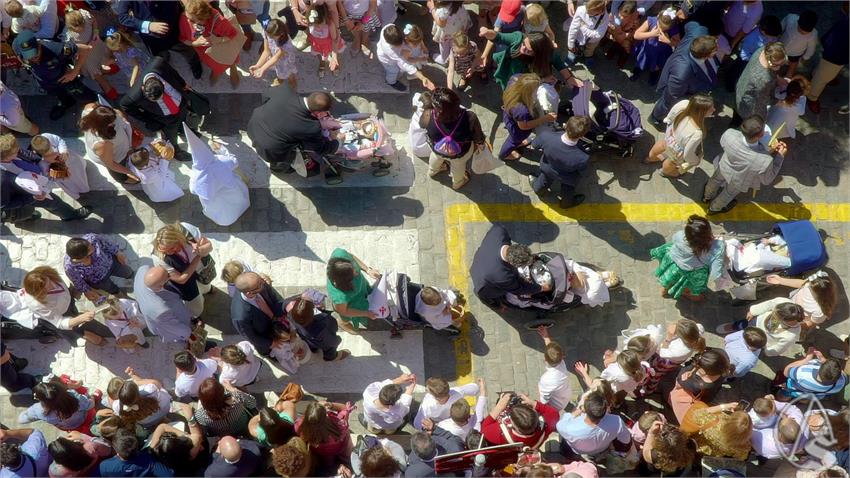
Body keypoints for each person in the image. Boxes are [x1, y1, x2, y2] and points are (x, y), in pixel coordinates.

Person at [120, 57, 204, 162]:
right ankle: (176, 151)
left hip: (181, 103)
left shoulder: (159, 63)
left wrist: (182, 84)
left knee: (183, 119)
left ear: (162, 84)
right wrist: (149, 120)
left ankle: (183, 130)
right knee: (171, 137)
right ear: (143, 89)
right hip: (166, 119)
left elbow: (173, 72)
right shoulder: (133, 96)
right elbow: (125, 106)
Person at [702, 116, 787, 214]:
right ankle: (714, 208)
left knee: (714, 180)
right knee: (728, 193)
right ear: (762, 135)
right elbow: (767, 179)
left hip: (724, 167)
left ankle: (706, 196)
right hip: (740, 180)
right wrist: (780, 156)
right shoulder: (765, 159)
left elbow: (723, 144)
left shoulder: (729, 134)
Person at [247, 89, 340, 172]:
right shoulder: (312, 128)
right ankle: (278, 168)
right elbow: (322, 149)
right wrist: (337, 140)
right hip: (270, 150)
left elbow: (266, 93)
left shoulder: (287, 91)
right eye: (325, 113)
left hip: (253, 126)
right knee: (283, 161)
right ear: (319, 114)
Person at [11, 31, 94, 121]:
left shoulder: (57, 49)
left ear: (39, 44)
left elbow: (87, 49)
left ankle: (94, 106)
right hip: (46, 84)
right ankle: (65, 103)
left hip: (63, 79)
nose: (33, 58)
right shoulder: (16, 46)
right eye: (28, 56)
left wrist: (74, 72)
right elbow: (20, 57)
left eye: (35, 54)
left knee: (85, 96)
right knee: (59, 95)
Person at [114, 0, 203, 79]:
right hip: (152, 39)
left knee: (186, 49)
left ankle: (195, 65)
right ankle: (176, 79)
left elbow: (174, 6)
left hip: (173, 31)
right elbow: (122, 17)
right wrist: (148, 25)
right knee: (163, 60)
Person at [20, 266, 104, 345]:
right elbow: (60, 323)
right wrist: (81, 318)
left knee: (74, 314)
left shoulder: (49, 275)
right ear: (39, 292)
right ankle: (82, 334)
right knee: (72, 329)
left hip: (67, 303)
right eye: (46, 288)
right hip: (59, 314)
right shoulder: (37, 304)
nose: (52, 285)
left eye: (48, 281)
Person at [478, 28, 581, 90]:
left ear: (539, 53)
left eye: (529, 50)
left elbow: (560, 65)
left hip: (528, 79)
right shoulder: (518, 38)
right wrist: (487, 32)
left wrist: (569, 78)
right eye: (523, 44)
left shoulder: (548, 54)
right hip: (510, 73)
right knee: (509, 88)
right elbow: (498, 36)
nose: (522, 49)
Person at [185, 128, 251, 226]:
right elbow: (233, 160)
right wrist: (221, 149)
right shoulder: (221, 161)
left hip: (216, 202)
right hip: (232, 190)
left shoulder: (195, 177)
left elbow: (194, 190)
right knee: (239, 199)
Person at [650, 215, 724, 300]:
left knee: (671, 279)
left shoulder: (680, 235)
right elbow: (716, 274)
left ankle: (665, 290)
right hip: (692, 272)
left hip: (673, 264)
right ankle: (687, 293)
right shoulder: (718, 247)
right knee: (688, 285)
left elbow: (674, 240)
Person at [527, 115, 593, 208]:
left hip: (547, 168)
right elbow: (583, 172)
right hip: (567, 178)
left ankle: (539, 190)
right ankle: (566, 203)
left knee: (543, 181)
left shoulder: (546, 136)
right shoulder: (583, 157)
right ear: (582, 135)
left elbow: (534, 145)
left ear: (565, 126)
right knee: (568, 190)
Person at [470, 224, 544, 306]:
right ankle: (489, 300)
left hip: (480, 260)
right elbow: (518, 289)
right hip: (482, 285)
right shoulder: (503, 276)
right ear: (511, 263)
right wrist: (540, 288)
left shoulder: (499, 231)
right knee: (503, 290)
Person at [650, 35, 718, 123]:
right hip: (685, 95)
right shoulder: (682, 75)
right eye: (715, 50)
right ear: (706, 55)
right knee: (666, 104)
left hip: (698, 86)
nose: (717, 49)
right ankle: (656, 118)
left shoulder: (697, 45)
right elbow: (673, 96)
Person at [152, 222, 214, 318]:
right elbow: (181, 279)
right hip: (187, 283)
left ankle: (208, 290)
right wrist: (198, 256)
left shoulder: (187, 230)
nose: (169, 253)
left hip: (201, 271)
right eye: (165, 251)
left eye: (172, 248)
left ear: (179, 239)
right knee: (196, 304)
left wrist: (202, 248)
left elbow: (209, 246)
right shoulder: (158, 258)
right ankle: (195, 316)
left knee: (205, 285)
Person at [644, 94, 714, 177]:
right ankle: (665, 172)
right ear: (701, 112)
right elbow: (688, 153)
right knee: (671, 162)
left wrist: (668, 122)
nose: (714, 109)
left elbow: (671, 115)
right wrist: (695, 161)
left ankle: (650, 158)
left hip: (670, 135)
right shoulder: (697, 133)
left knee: (662, 144)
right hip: (677, 150)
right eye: (710, 109)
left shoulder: (684, 104)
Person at [179, 0, 241, 88]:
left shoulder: (219, 21)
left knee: (229, 60)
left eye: (192, 20)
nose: (188, 21)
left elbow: (233, 35)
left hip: (223, 50)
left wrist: (217, 40)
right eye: (187, 16)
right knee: (215, 66)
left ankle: (233, 68)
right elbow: (183, 39)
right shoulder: (185, 17)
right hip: (207, 53)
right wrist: (194, 43)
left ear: (202, 19)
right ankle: (216, 71)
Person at [557, 390, 631, 458]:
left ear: (585, 409)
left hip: (577, 451)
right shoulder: (617, 421)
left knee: (563, 439)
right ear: (605, 409)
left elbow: (560, 424)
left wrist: (579, 410)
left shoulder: (569, 428)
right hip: (601, 449)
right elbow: (626, 440)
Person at [78, 103, 140, 184]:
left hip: (119, 148)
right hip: (116, 158)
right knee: (118, 173)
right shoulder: (102, 143)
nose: (115, 121)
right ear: (103, 125)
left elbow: (115, 111)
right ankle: (124, 179)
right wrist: (130, 172)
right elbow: (111, 164)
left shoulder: (90, 108)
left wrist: (122, 118)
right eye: (112, 122)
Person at [0, 169, 90, 224]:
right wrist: (32, 198)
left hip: (20, 190)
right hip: (27, 193)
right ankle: (70, 215)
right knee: (54, 202)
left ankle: (25, 217)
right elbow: (4, 205)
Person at [63, 9, 117, 101]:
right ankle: (111, 93)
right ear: (71, 27)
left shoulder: (85, 15)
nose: (82, 27)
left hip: (97, 47)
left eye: (83, 24)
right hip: (86, 58)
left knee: (107, 58)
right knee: (97, 76)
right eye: (78, 27)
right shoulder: (69, 37)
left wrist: (96, 32)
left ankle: (109, 69)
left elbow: (94, 20)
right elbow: (75, 51)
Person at [498, 73, 555, 161]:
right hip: (517, 129)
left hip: (508, 114)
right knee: (513, 141)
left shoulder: (515, 78)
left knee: (516, 139)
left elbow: (527, 81)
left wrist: (542, 80)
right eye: (536, 90)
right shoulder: (522, 110)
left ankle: (518, 143)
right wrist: (545, 118)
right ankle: (504, 155)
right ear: (528, 94)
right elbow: (524, 126)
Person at [668, 348, 733, 423]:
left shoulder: (700, 384)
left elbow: (681, 381)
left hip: (689, 396)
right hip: (707, 395)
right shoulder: (723, 365)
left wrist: (685, 376)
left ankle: (671, 405)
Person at [63, 234, 134, 302]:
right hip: (99, 279)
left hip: (110, 263)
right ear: (81, 257)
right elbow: (78, 281)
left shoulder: (92, 239)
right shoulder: (70, 267)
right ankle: (119, 294)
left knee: (127, 272)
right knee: (110, 288)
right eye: (89, 250)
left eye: (90, 245)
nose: (93, 247)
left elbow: (107, 244)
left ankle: (132, 276)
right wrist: (87, 291)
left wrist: (118, 253)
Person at [326, 248, 381, 333]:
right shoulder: (340, 297)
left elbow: (351, 257)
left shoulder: (340, 255)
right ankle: (342, 323)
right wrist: (366, 313)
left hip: (362, 289)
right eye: (353, 274)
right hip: (352, 304)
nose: (356, 272)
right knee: (345, 317)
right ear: (345, 281)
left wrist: (368, 270)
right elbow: (344, 311)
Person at [133, 265, 193, 342]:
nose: (170, 274)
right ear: (160, 286)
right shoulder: (161, 312)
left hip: (149, 306)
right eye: (168, 276)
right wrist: (189, 334)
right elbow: (177, 329)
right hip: (166, 323)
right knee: (180, 335)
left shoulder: (143, 269)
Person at [806, 2, 848, 113]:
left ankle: (819, 74)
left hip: (839, 47)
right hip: (838, 50)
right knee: (821, 78)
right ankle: (812, 97)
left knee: (826, 70)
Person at [231, 272, 285, 356]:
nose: (264, 283)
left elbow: (276, 299)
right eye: (260, 284)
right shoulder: (240, 316)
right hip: (265, 337)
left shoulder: (258, 284)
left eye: (261, 279)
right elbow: (251, 337)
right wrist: (271, 343)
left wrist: (282, 316)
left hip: (277, 324)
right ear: (249, 293)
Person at [481, 392, 559, 448]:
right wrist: (534, 403)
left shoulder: (499, 434)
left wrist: (500, 406)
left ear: (514, 426)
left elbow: (484, 429)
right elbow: (554, 414)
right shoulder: (547, 425)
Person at [148, 403, 208, 476]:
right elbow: (197, 436)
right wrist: (190, 418)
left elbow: (162, 426)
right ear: (181, 444)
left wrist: (185, 435)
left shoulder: (155, 450)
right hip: (195, 465)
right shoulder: (191, 452)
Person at [735, 42, 788, 124]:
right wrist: (780, 102)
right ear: (770, 62)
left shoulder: (763, 50)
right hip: (750, 105)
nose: (780, 67)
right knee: (749, 120)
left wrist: (777, 78)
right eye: (777, 65)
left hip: (742, 86)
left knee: (738, 112)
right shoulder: (763, 79)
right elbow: (764, 99)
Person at [295, 401, 354, 474]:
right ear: (326, 415)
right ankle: (345, 463)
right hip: (339, 449)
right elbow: (344, 408)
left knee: (328, 464)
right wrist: (331, 404)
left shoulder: (299, 427)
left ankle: (331, 468)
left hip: (321, 453)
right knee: (346, 441)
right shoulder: (340, 426)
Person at [287, 296, 350, 362]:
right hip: (322, 341)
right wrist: (338, 340)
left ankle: (313, 349)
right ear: (312, 312)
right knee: (330, 350)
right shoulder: (323, 320)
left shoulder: (290, 315)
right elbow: (332, 338)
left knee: (310, 344)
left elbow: (286, 305)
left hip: (307, 338)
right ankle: (331, 357)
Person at [766, 272, 837, 330]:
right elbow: (802, 283)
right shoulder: (811, 284)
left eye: (810, 287)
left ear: (819, 293)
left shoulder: (820, 311)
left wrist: (792, 326)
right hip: (789, 307)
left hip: (796, 320)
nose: (807, 285)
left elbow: (810, 324)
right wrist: (781, 280)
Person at [29, 134, 90, 200]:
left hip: (70, 161)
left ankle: (83, 176)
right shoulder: (41, 164)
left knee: (78, 173)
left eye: (51, 149)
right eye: (48, 154)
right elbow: (48, 178)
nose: (52, 152)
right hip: (62, 176)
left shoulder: (47, 136)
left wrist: (63, 151)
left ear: (49, 142)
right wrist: (54, 170)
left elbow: (59, 140)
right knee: (73, 183)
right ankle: (80, 190)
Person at [682, 403, 752, 461]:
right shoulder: (743, 447)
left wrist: (724, 406)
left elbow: (697, 413)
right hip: (712, 455)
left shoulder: (713, 422)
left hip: (699, 446)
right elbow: (741, 458)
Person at [376, 23, 435, 91]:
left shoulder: (388, 27)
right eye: (398, 45)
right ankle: (391, 82)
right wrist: (422, 78)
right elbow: (405, 64)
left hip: (383, 50)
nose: (402, 44)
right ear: (390, 44)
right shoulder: (392, 51)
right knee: (393, 71)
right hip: (386, 59)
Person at [18, 381, 94, 432]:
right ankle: (96, 395)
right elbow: (91, 405)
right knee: (85, 392)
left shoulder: (38, 410)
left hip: (66, 427)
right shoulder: (75, 397)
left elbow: (21, 419)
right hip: (81, 419)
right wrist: (92, 398)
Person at [97, 429, 174, 477]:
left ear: (116, 451)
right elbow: (170, 475)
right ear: (136, 446)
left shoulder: (104, 466)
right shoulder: (149, 460)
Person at [412, 377, 480, 429]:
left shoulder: (427, 405)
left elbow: (417, 424)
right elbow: (475, 388)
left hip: (439, 423)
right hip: (453, 419)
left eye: (428, 390)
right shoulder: (457, 392)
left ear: (434, 396)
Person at [779, 349, 847, 401]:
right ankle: (804, 400)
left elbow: (786, 372)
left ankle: (785, 396)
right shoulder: (841, 382)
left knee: (787, 390)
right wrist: (823, 360)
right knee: (807, 397)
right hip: (816, 395)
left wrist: (806, 359)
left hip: (797, 389)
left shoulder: (803, 373)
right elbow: (841, 373)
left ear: (820, 367)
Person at [251, 19, 298, 88]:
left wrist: (262, 69)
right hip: (274, 57)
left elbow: (276, 57)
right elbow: (266, 51)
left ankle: (292, 79)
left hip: (284, 60)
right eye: (268, 35)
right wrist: (257, 66)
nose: (270, 38)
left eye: (272, 37)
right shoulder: (267, 32)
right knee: (279, 71)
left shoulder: (286, 44)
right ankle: (280, 78)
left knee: (287, 71)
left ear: (281, 34)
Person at [536, 327, 572, 411]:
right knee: (566, 404)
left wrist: (543, 409)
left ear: (545, 360)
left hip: (556, 405)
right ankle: (569, 406)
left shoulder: (546, 379)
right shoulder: (561, 363)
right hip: (566, 394)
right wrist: (546, 337)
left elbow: (544, 398)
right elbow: (553, 352)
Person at [47, 432, 113, 478]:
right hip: (98, 467)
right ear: (71, 444)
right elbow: (108, 450)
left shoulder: (55, 471)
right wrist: (82, 436)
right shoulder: (91, 446)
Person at [766, 76, 809, 142]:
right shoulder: (800, 101)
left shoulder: (782, 91)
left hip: (773, 117)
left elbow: (777, 91)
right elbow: (801, 112)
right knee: (782, 128)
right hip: (785, 122)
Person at [566, 0, 609, 66]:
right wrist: (570, 44)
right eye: (586, 10)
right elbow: (573, 28)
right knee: (574, 46)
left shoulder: (605, 18)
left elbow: (599, 35)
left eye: (589, 13)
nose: (586, 13)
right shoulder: (581, 9)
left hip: (593, 41)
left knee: (590, 49)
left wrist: (583, 28)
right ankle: (572, 53)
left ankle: (588, 55)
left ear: (601, 12)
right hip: (579, 36)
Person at [429, 1, 470, 66]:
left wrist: (432, 9)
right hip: (459, 25)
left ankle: (434, 55)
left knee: (444, 58)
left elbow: (441, 24)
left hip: (447, 33)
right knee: (458, 41)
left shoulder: (443, 10)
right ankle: (457, 50)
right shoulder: (456, 3)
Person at [780, 10, 818, 78]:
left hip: (795, 54)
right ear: (798, 22)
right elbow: (781, 25)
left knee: (793, 65)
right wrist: (778, 32)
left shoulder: (813, 35)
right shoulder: (791, 19)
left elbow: (811, 48)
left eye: (805, 32)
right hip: (781, 46)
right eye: (800, 30)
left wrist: (805, 57)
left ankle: (788, 76)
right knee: (777, 58)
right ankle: (776, 69)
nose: (802, 33)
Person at [604, 0, 640, 68]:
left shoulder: (635, 20)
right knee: (615, 44)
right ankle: (610, 53)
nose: (621, 17)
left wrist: (626, 35)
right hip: (618, 33)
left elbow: (634, 32)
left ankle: (621, 62)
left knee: (626, 48)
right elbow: (611, 23)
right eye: (621, 15)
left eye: (625, 17)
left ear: (631, 14)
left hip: (627, 37)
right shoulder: (617, 12)